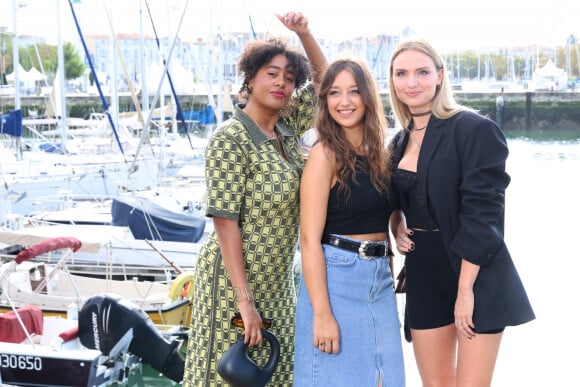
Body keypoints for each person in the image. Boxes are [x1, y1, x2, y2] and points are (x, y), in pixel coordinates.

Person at [181, 12, 327, 387]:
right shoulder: (230, 138)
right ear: (250, 77)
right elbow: (225, 225)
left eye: (290, 78)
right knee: (226, 376)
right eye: (272, 73)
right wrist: (244, 302)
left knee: (276, 374)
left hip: (277, 281)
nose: (282, 83)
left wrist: (304, 33)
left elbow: (329, 82)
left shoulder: (286, 126)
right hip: (233, 282)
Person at [387, 38, 535, 386]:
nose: (412, 82)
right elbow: (392, 200)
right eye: (402, 73)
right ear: (392, 81)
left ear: (439, 76)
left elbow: (483, 217)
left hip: (474, 272)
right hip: (423, 274)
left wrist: (465, 289)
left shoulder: (473, 129)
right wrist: (398, 228)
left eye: (422, 72)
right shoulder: (398, 142)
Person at [295, 58, 405, 386]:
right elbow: (308, 240)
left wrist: (397, 228)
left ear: (368, 96)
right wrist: (322, 313)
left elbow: (387, 207)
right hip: (336, 278)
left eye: (353, 92)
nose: (344, 102)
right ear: (325, 100)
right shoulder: (323, 154)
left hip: (379, 281)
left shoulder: (380, 152)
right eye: (334, 93)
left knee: (388, 380)